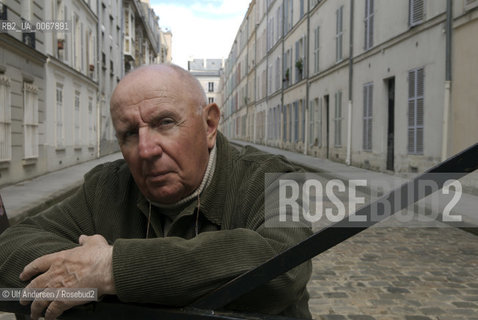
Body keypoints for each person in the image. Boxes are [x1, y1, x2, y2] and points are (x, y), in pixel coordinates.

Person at [0, 64, 312, 319]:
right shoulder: (106, 187)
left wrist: (109, 269)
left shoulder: (274, 176)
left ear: (210, 125)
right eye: (130, 133)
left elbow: (284, 266)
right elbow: (10, 247)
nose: (146, 150)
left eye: (165, 122)